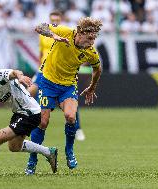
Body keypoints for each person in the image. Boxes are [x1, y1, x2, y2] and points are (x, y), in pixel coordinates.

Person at [25, 17, 102, 175]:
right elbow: (39, 27)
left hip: (68, 86)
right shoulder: (65, 32)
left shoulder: (91, 53)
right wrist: (53, 36)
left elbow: (97, 69)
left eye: (94, 38)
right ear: (80, 33)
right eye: (89, 38)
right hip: (48, 83)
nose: (92, 42)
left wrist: (92, 87)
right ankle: (32, 160)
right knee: (43, 122)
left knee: (71, 117)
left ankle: (69, 151)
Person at [28, 10, 86, 142]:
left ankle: (78, 128)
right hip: (44, 70)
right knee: (29, 92)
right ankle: (30, 123)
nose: (54, 22)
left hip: (61, 71)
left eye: (56, 20)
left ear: (60, 21)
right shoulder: (44, 35)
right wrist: (39, 66)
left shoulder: (66, 33)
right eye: (52, 20)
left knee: (69, 104)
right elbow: (41, 52)